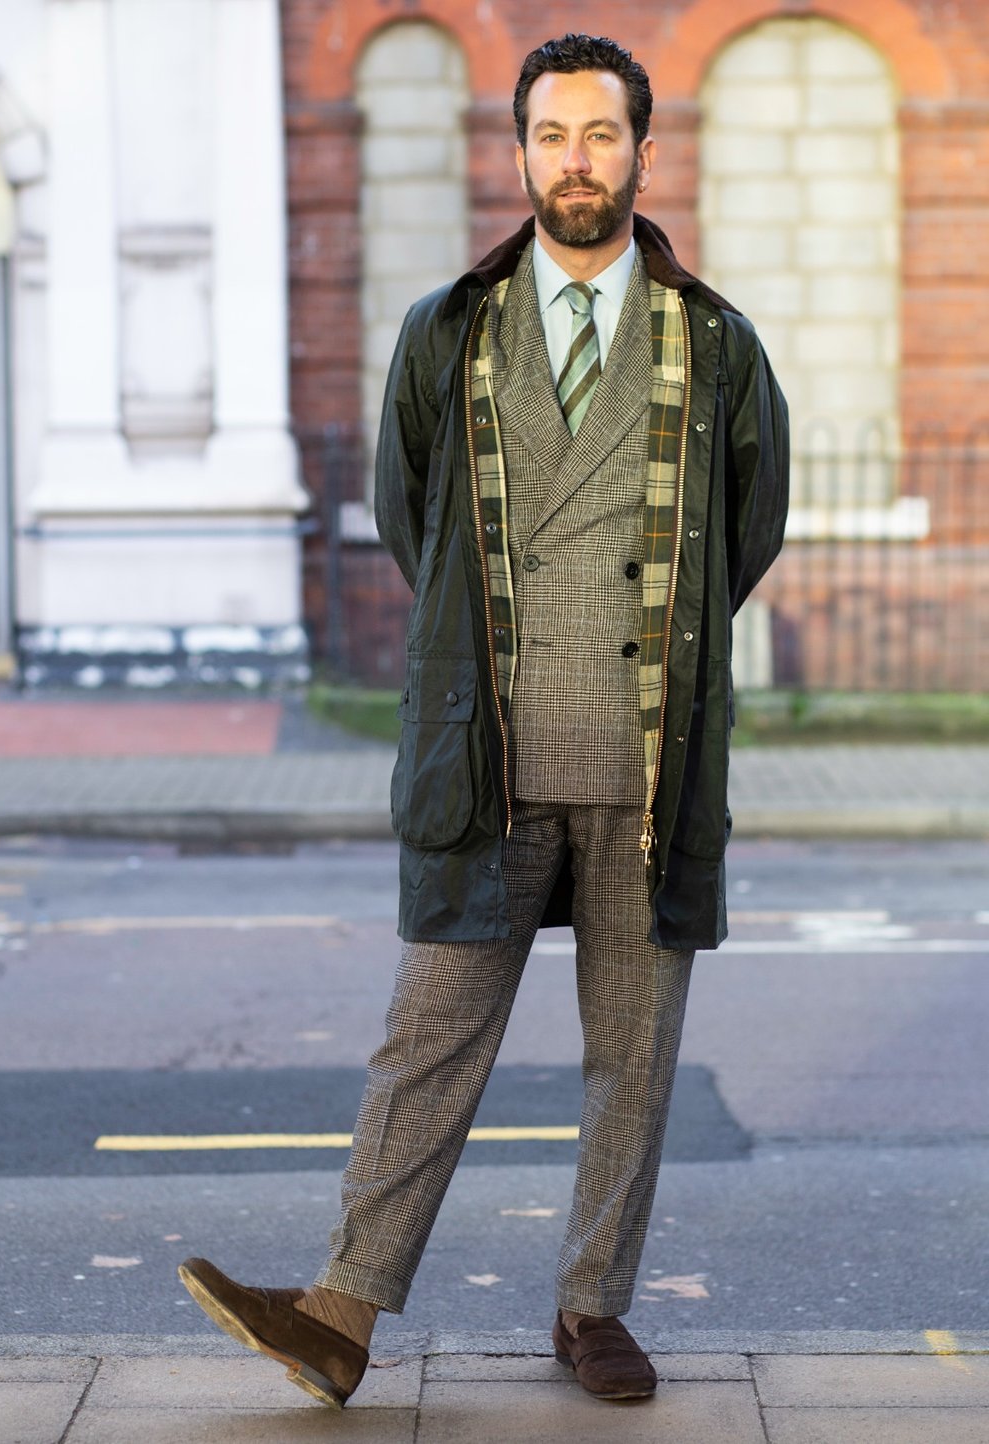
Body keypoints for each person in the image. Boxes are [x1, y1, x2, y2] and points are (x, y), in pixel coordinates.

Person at [179, 31, 788, 1409]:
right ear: (517, 154)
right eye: (553, 136)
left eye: (602, 134)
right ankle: (341, 1309)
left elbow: (743, 536)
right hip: (489, 757)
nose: (578, 161)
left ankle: (593, 1307)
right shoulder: (446, 332)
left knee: (634, 1053)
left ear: (645, 149)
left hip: (648, 759)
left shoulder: (718, 344)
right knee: (428, 1034)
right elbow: (421, 523)